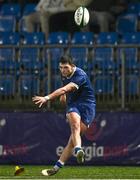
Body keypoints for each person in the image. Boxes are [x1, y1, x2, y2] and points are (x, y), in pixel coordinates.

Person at [32, 55, 96, 176]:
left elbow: (64, 89)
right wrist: (64, 96)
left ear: (72, 66)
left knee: (71, 140)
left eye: (66, 67)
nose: (63, 70)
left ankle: (56, 168)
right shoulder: (65, 74)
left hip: (88, 106)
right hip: (74, 105)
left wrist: (46, 98)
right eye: (61, 68)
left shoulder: (80, 75)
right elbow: (64, 92)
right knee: (75, 126)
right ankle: (79, 150)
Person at [23, 0, 92, 38]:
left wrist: (48, 10)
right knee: (28, 18)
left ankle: (45, 39)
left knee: (44, 16)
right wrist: (40, 9)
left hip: (55, 11)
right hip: (45, 10)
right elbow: (40, 5)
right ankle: (30, 38)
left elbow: (63, 6)